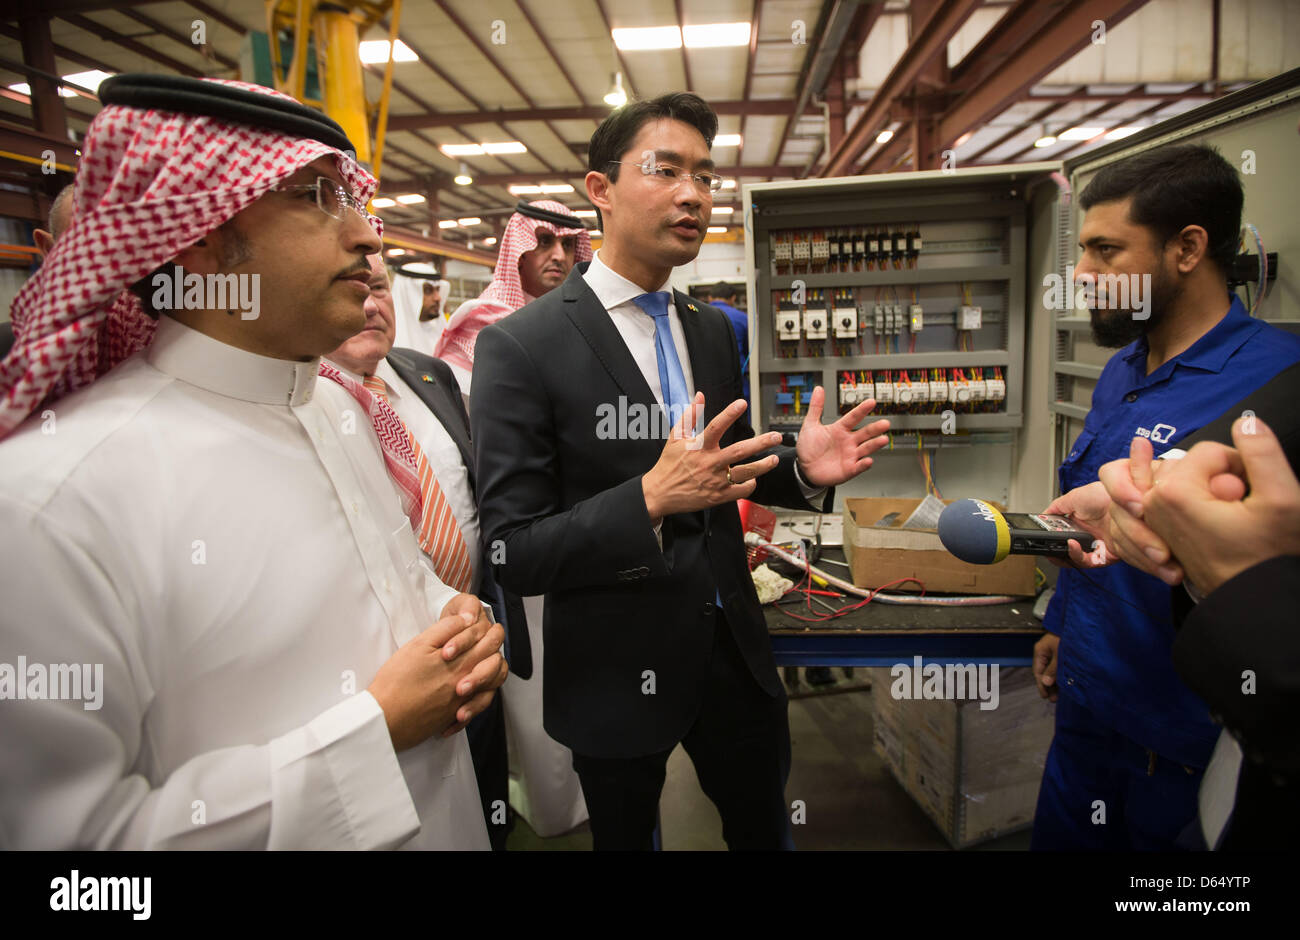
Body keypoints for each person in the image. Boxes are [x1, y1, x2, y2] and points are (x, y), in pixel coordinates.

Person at [0, 73, 506, 849]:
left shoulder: (342, 410)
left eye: (351, 197)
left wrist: (450, 614)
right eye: (315, 197)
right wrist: (374, 735)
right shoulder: (50, 501)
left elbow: (388, 586)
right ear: (198, 235)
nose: (368, 236)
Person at [471, 92, 891, 850]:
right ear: (600, 189)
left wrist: (800, 469)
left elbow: (730, 469)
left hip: (733, 656)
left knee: (763, 831)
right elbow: (515, 549)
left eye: (704, 176)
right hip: (613, 670)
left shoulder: (710, 329)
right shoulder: (522, 347)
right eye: (665, 170)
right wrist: (647, 500)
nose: (693, 193)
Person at [1029, 143, 1300, 851]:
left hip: (1184, 741)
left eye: (1106, 251)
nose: (1080, 275)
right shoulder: (1122, 370)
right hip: (1087, 711)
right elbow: (1092, 517)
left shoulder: (1277, 387)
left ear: (1187, 249)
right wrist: (1061, 622)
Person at [323, 253, 532, 850]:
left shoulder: (426, 373)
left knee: (484, 800)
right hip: (383, 678)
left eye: (380, 287)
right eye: (353, 287)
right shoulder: (308, 406)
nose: (370, 304)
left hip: (472, 639)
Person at [434, 200, 592, 403]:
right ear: (520, 254)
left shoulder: (583, 321)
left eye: (567, 245)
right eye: (544, 242)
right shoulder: (484, 322)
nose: (559, 256)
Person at [390, 260, 446, 357]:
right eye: (428, 290)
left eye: (438, 290)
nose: (438, 298)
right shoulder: (392, 341)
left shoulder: (439, 333)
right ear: (408, 295)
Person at [706, 281, 748, 403]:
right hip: (737, 380)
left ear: (709, 297)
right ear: (733, 298)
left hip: (707, 381)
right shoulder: (743, 318)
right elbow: (749, 350)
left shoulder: (696, 314)